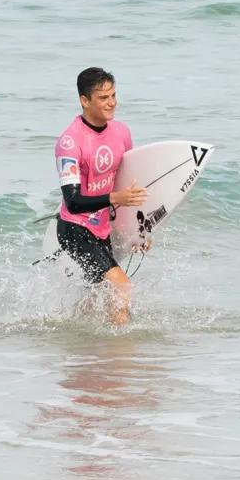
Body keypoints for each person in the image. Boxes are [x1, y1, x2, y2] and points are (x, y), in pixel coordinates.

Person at [55, 67, 147, 325]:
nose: (112, 103)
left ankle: (71, 330)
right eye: (104, 98)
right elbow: (73, 203)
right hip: (74, 229)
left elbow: (129, 186)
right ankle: (121, 349)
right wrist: (115, 198)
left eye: (114, 95)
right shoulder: (70, 142)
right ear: (84, 100)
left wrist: (137, 232)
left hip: (103, 229)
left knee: (101, 296)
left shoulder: (121, 133)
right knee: (121, 286)